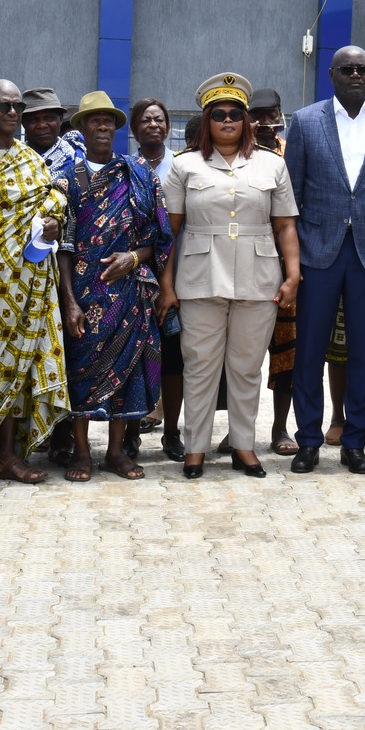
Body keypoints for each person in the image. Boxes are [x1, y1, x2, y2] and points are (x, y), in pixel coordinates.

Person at [159, 74, 301, 477]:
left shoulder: (272, 164)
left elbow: (286, 226)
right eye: (218, 114)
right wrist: (166, 286)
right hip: (200, 276)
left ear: (246, 121)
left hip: (258, 277)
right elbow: (169, 231)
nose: (227, 120)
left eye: (234, 114)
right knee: (200, 365)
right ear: (206, 121)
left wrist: (293, 275)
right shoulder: (185, 165)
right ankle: (195, 448)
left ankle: (243, 446)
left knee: (246, 366)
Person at [286, 45, 365, 474]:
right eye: (348, 69)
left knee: (364, 351)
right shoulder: (304, 122)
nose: (356, 74)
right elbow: (292, 197)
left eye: (363, 69)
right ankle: (308, 440)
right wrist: (292, 261)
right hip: (317, 252)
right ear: (332, 75)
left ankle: (355, 440)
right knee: (310, 352)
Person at [0, 79, 69, 483]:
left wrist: (54, 221)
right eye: (3, 106)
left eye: (17, 107)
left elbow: (48, 203)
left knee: (20, 372)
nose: (11, 113)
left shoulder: (32, 159)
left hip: (33, 280)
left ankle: (6, 455)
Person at [52, 91, 164, 481]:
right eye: (94, 121)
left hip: (129, 293)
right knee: (80, 371)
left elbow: (158, 238)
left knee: (128, 373)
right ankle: (82, 453)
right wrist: (68, 301)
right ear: (81, 128)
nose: (102, 127)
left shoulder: (137, 174)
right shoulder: (67, 180)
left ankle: (116, 452)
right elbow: (62, 246)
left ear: (117, 128)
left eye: (108, 121)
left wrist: (133, 259)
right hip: (83, 292)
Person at [128, 97, 186, 460]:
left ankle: (171, 433)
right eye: (146, 120)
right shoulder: (125, 168)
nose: (154, 125)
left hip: (178, 274)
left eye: (160, 119)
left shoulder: (181, 168)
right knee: (134, 356)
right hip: (135, 275)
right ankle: (131, 432)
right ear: (134, 128)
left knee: (173, 356)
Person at [245, 88, 299, 453]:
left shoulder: (291, 154)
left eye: (271, 114)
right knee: (241, 356)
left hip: (283, 269)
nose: (265, 122)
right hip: (244, 267)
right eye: (258, 114)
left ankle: (280, 429)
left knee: (286, 355)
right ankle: (238, 431)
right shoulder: (236, 153)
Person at [22, 87, 83, 170]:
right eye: (34, 120)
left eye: (49, 118)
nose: (42, 125)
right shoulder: (13, 159)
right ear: (23, 123)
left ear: (61, 119)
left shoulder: (76, 158)